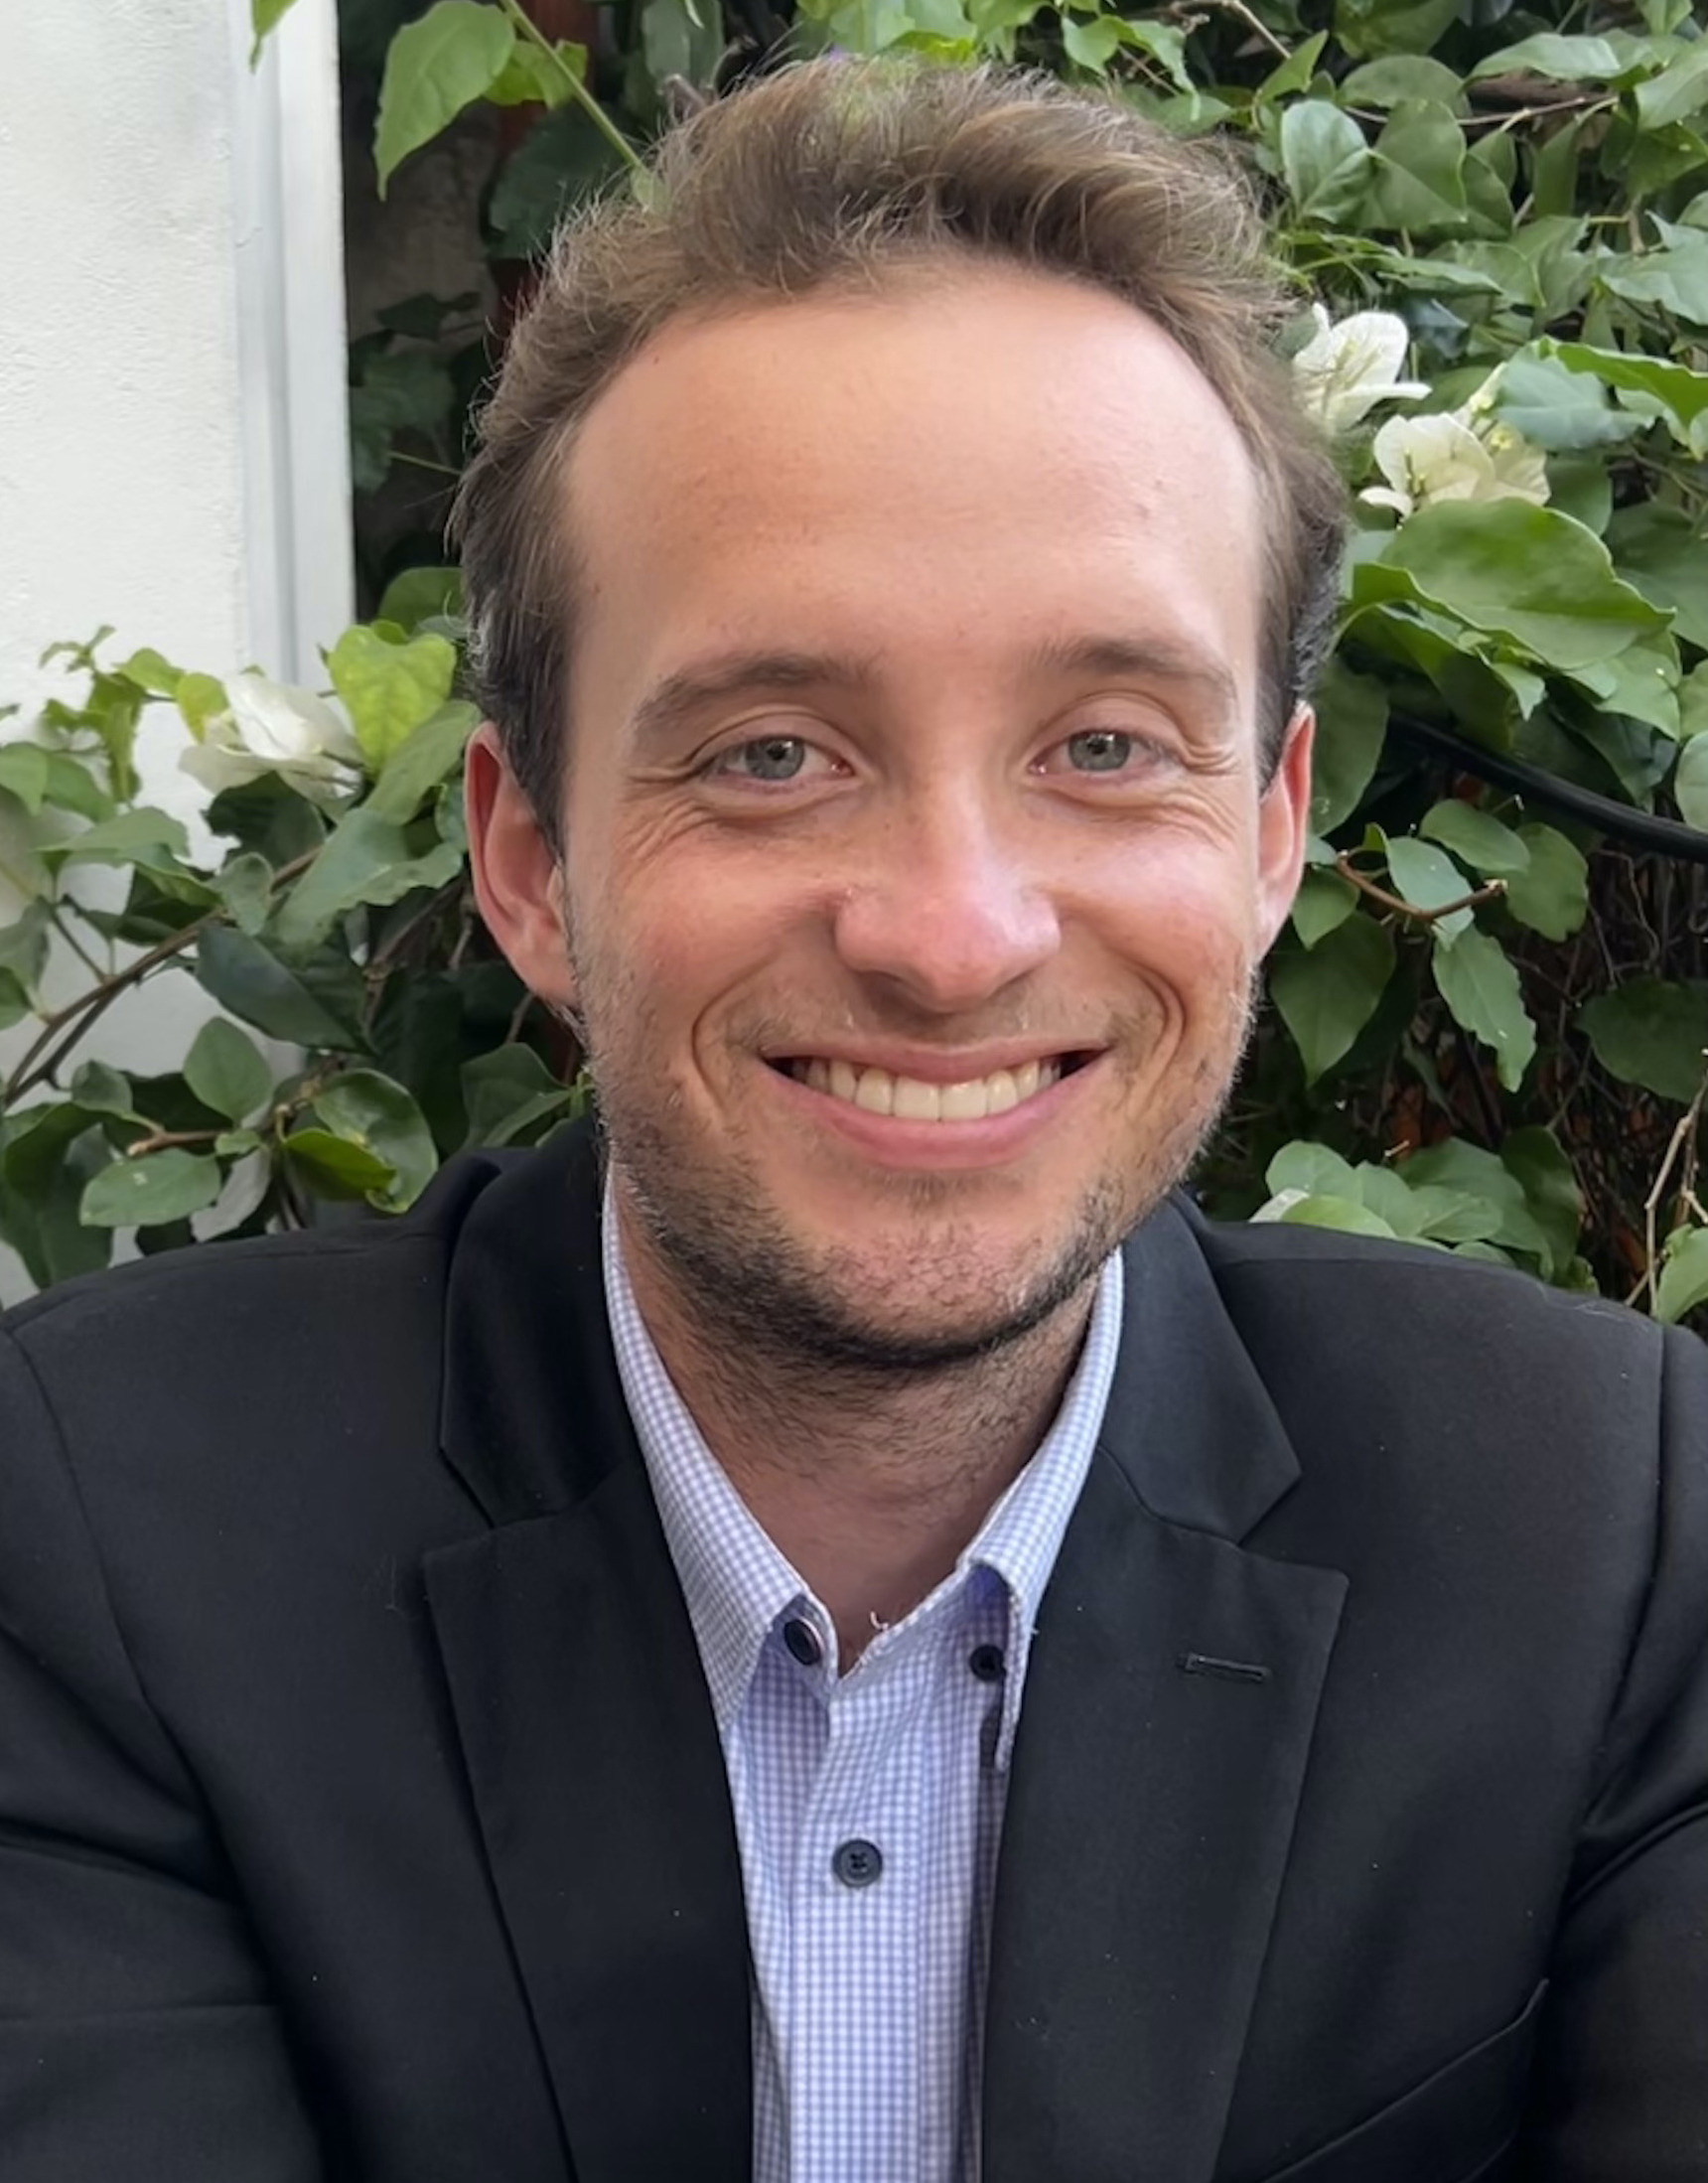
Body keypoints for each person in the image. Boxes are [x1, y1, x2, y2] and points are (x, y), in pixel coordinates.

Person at [1, 57, 1703, 2183]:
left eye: (1101, 741)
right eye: (771, 752)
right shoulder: (89, 1538)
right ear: (527, 862)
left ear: (1270, 834)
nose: (949, 935)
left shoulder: (1610, 1530)